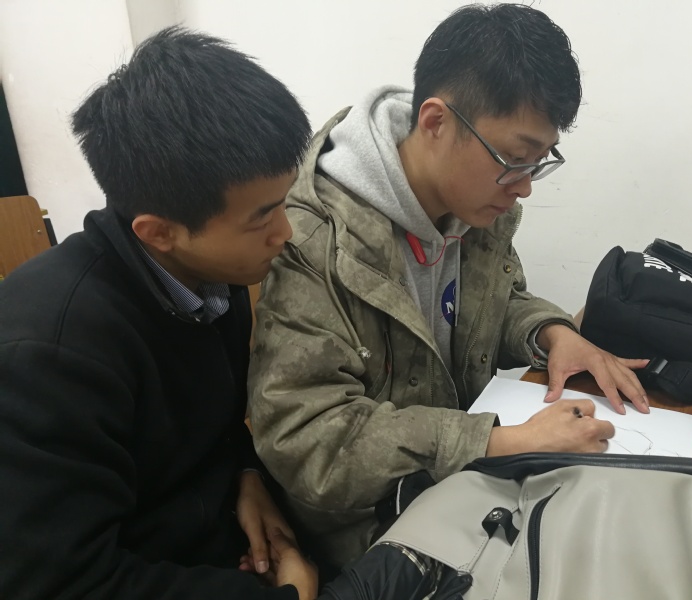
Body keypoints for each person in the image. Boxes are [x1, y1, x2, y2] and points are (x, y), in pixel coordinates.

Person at [247, 3, 651, 568]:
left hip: (464, 490)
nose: (525, 187)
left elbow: (492, 302)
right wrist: (499, 442)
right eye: (516, 158)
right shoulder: (315, 240)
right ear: (436, 122)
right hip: (375, 534)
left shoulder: (473, 203)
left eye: (539, 162)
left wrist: (552, 333)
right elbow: (308, 439)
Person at [0, 27, 318, 600]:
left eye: (284, 203)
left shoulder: (210, 279)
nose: (285, 233)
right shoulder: (48, 355)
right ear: (159, 232)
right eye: (262, 217)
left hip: (219, 544)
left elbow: (218, 429)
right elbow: (63, 582)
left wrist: (246, 474)